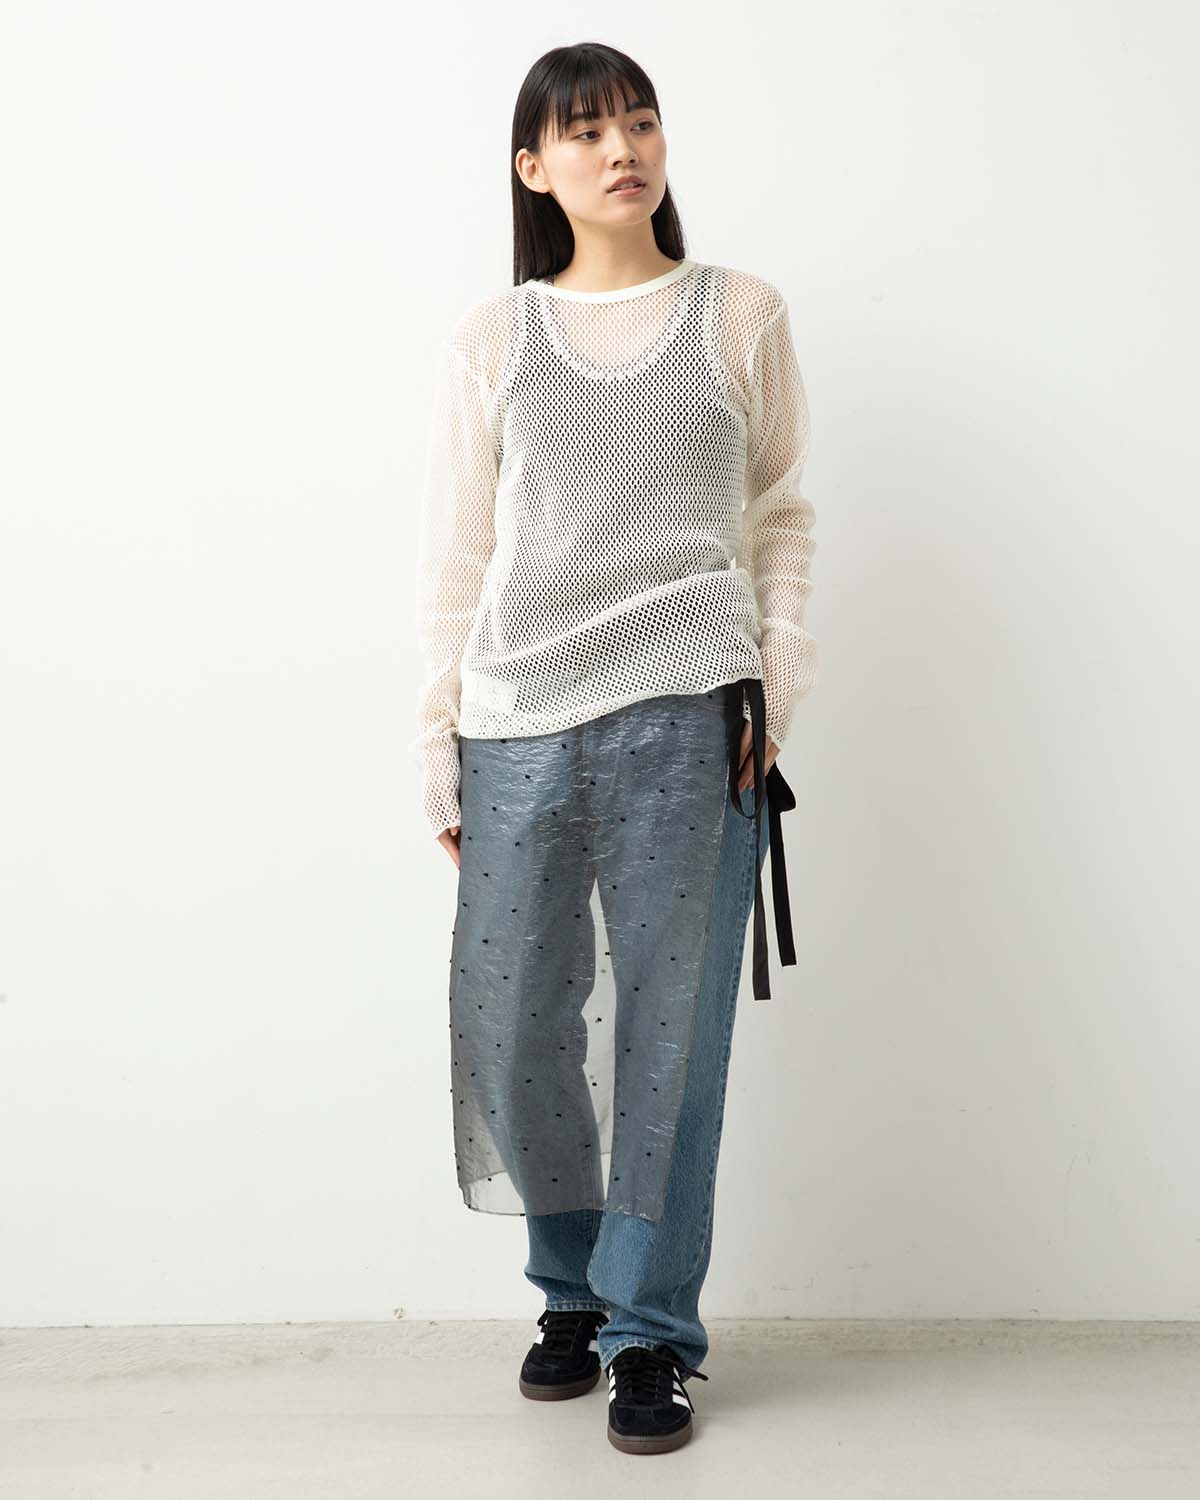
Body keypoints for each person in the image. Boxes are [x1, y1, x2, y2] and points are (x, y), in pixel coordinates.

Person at [412, 40, 817, 1456]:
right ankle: (570, 1289)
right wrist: (436, 737)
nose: (620, 148)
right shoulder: (495, 337)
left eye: (638, 122)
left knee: (668, 1036)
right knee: (519, 1027)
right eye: (584, 132)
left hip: (689, 712)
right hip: (519, 716)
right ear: (535, 168)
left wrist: (777, 676)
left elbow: (780, 512)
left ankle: (651, 1333)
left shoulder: (739, 314)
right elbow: (460, 553)